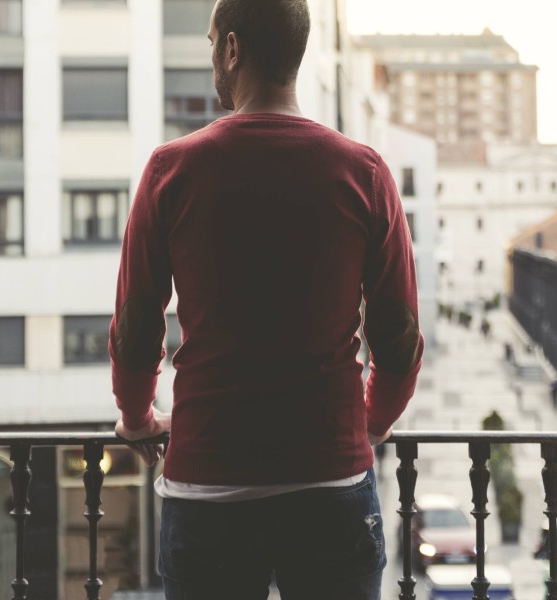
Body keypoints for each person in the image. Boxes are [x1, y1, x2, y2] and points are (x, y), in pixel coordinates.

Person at [109, 0, 423, 597]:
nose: (212, 60)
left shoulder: (171, 170)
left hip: (208, 489)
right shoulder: (364, 172)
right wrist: (371, 423)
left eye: (210, 45)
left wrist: (136, 417)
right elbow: (400, 338)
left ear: (233, 48)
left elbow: (135, 326)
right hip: (330, 482)